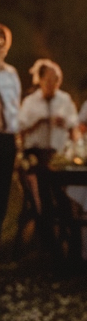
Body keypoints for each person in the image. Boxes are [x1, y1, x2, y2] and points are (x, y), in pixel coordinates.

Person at [19, 60, 79, 244]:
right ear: (41, 80)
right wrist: (38, 122)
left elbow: (74, 125)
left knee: (61, 192)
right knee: (43, 188)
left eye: (56, 80)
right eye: (49, 80)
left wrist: (63, 122)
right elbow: (19, 126)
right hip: (36, 155)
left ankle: (67, 232)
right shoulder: (30, 101)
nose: (53, 84)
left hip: (58, 156)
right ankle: (48, 235)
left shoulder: (64, 99)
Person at [0, 24, 21, 234]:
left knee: (3, 188)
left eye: (2, 44)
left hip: (6, 138)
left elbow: (15, 106)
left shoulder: (11, 73)